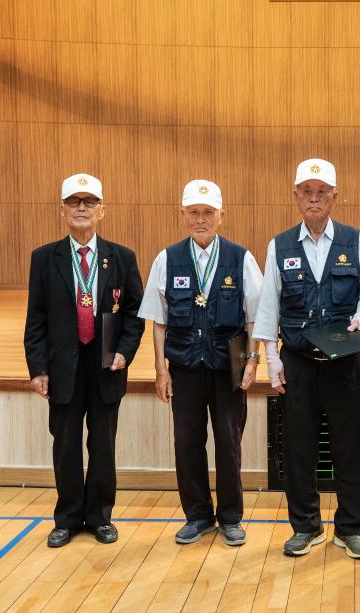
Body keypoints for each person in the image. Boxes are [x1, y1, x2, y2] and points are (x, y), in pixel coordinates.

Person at [252, 158, 360, 560]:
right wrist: (272, 359)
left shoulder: (355, 240)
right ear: (296, 196)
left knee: (352, 448)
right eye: (307, 191)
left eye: (322, 191)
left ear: (335, 196)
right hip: (299, 364)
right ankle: (305, 526)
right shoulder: (280, 245)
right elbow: (269, 304)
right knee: (298, 449)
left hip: (346, 362)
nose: (314, 198)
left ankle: (351, 528)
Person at [138, 180, 263, 546]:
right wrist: (160, 369)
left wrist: (252, 361)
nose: (200, 219)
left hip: (229, 367)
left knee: (229, 443)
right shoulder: (167, 259)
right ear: (183, 215)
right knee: (187, 443)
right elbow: (158, 321)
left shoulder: (241, 258)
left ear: (222, 216)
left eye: (208, 213)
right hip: (185, 367)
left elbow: (255, 317)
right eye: (193, 212)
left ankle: (230, 518)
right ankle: (197, 515)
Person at [24, 173, 144, 548]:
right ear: (62, 210)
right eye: (74, 201)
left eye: (89, 201)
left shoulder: (122, 257)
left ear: (102, 210)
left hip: (107, 364)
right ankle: (67, 518)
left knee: (103, 445)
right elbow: (35, 318)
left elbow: (135, 313)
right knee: (66, 446)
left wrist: (125, 351)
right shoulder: (44, 258)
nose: (81, 208)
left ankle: (100, 517)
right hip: (63, 366)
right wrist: (38, 368)